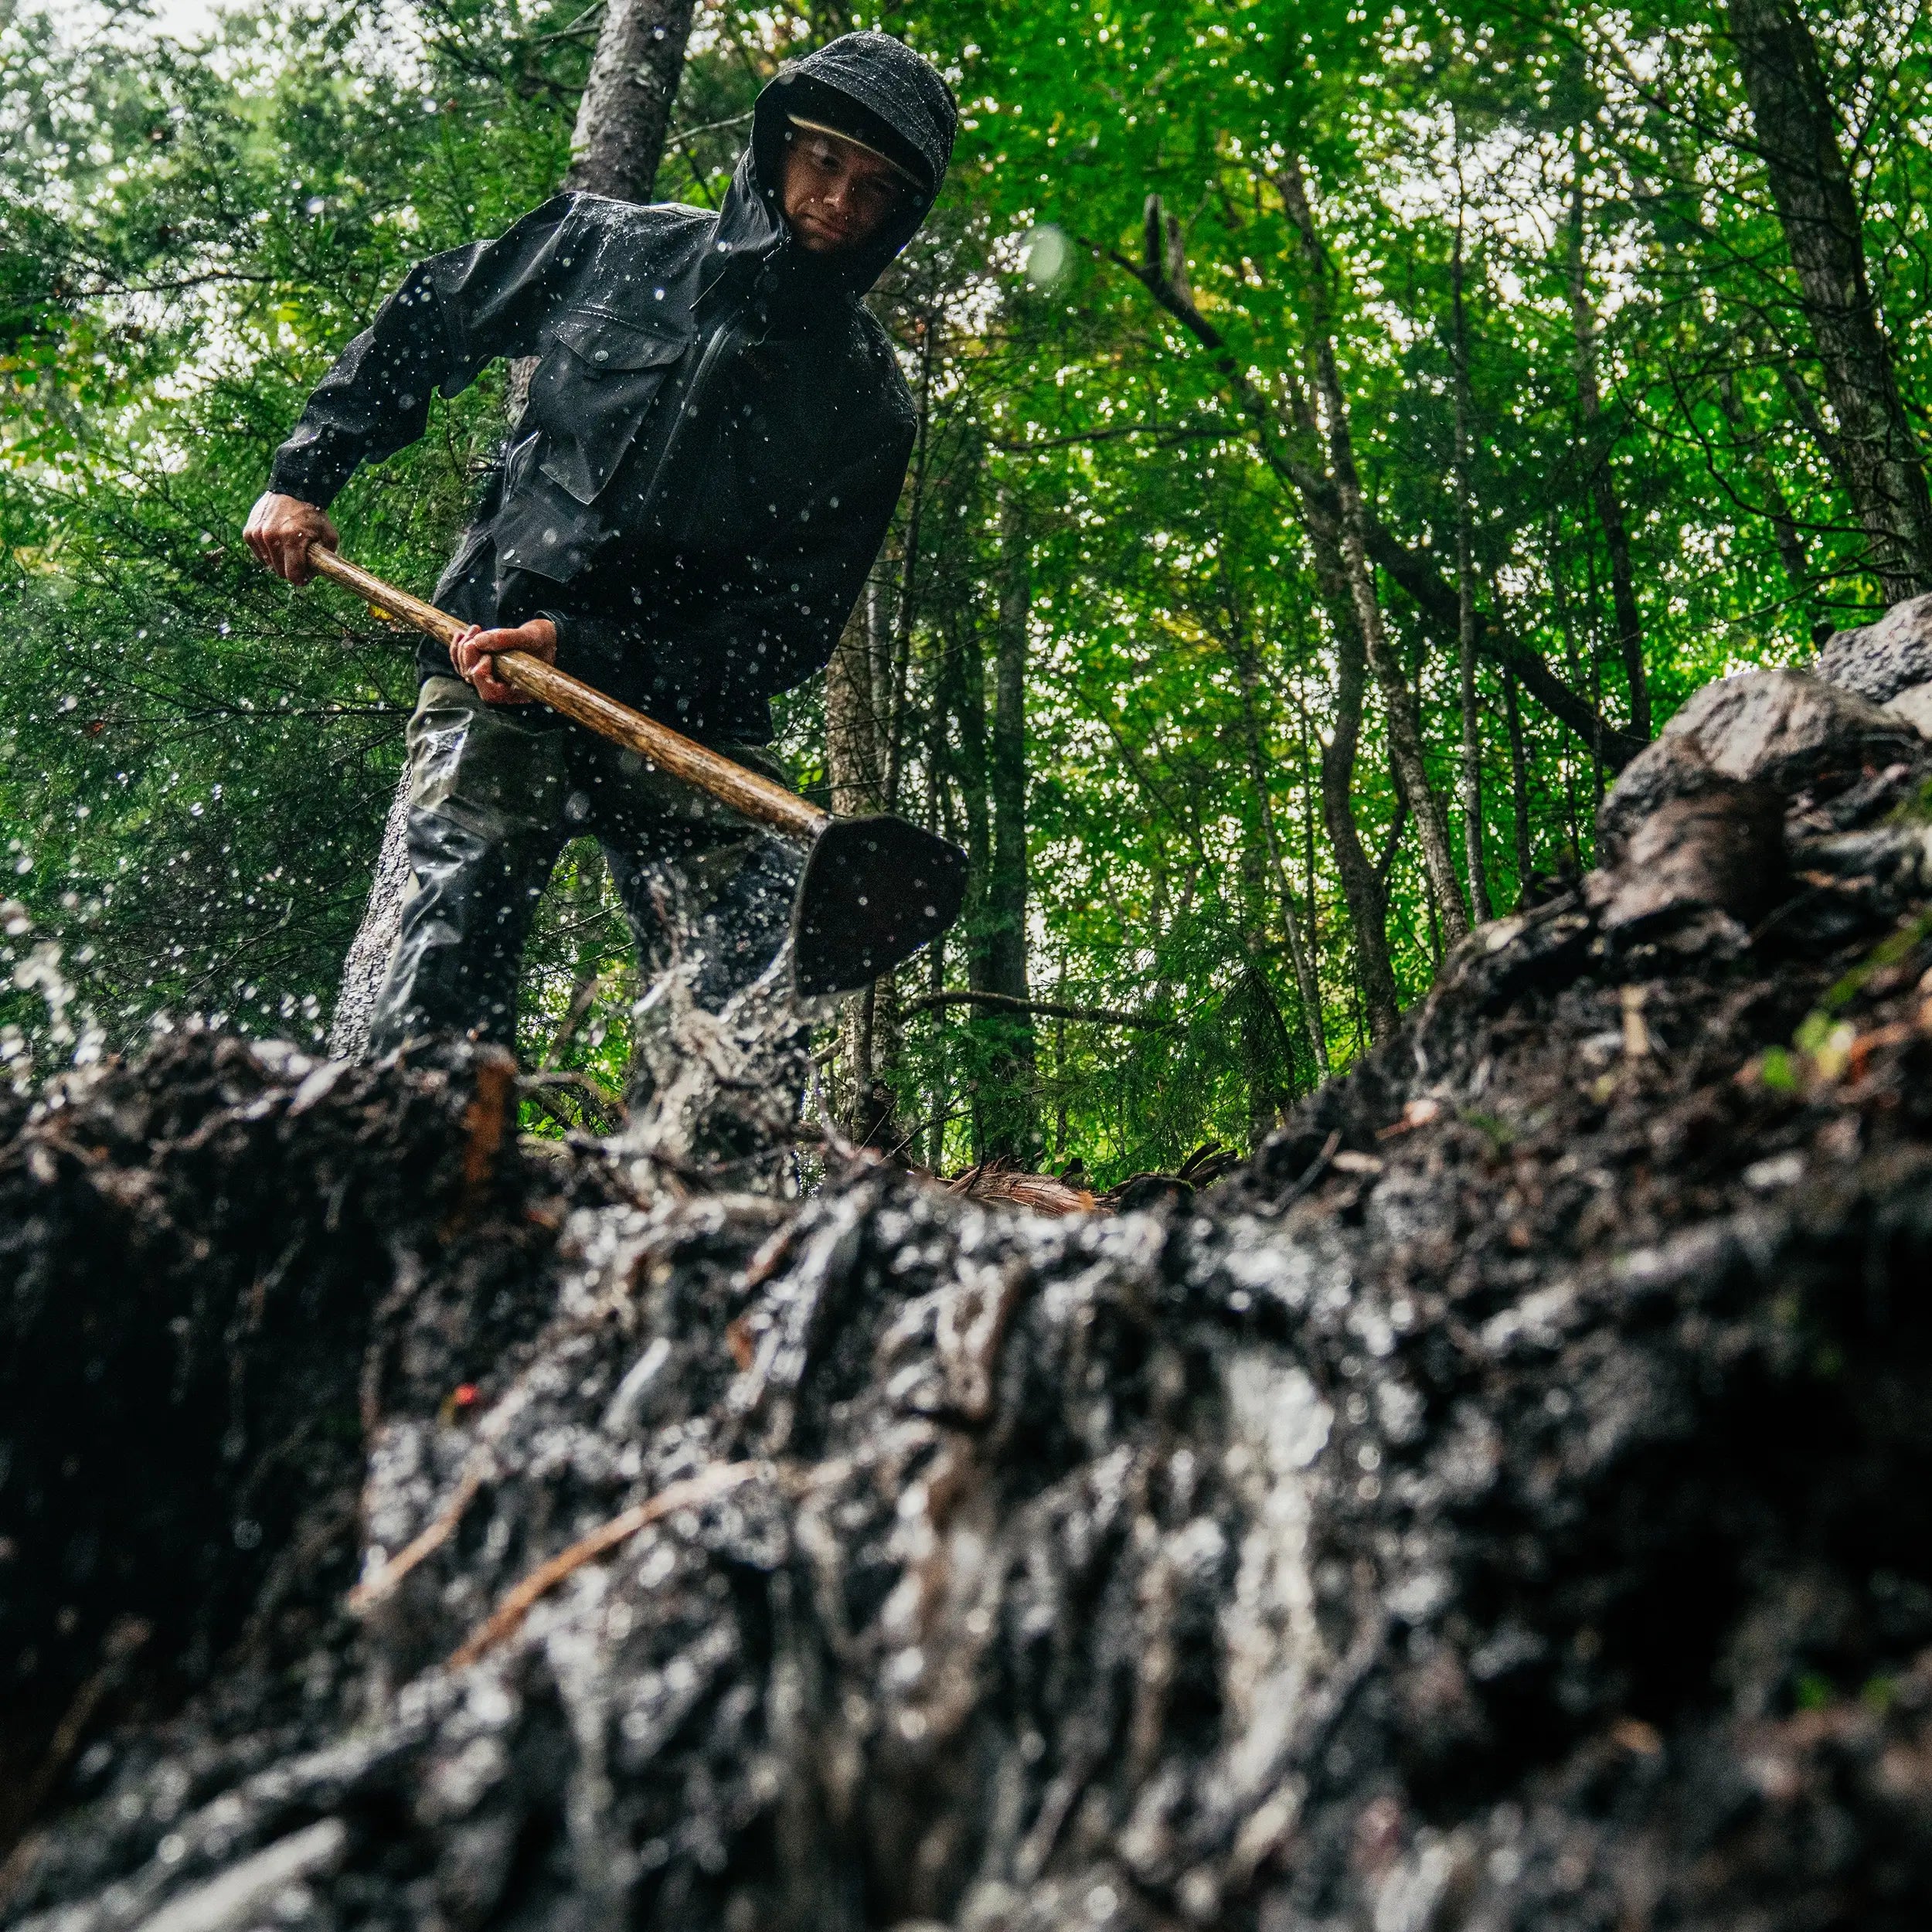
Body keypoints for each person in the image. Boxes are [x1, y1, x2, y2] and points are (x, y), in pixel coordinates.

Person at [244, 32, 956, 1059]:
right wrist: (303, 476)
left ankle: (709, 1209)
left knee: (748, 1010)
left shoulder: (867, 405)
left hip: (691, 714)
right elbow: (435, 315)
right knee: (444, 967)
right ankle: (425, 1179)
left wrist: (590, 652)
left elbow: (790, 630)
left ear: (901, 216)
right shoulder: (612, 246)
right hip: (489, 666)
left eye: (877, 186)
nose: (840, 197)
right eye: (826, 157)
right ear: (778, 144)